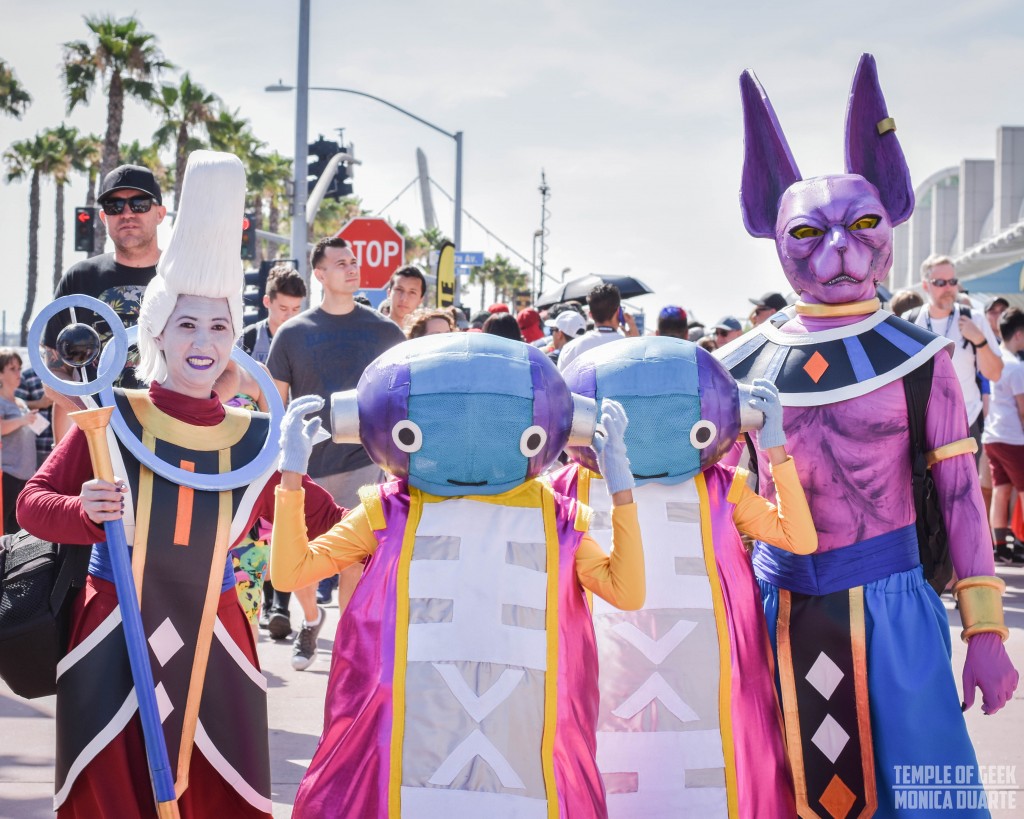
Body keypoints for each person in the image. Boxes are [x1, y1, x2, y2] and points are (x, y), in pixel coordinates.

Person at [721, 54, 1017, 818]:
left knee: (924, 795)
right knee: (777, 790)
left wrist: (985, 627)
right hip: (770, 605)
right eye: (808, 232)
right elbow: (712, 501)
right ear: (770, 225)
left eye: (860, 226)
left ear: (891, 214)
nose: (839, 251)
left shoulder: (921, 361)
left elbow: (959, 491)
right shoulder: (732, 368)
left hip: (895, 610)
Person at [17, 151, 344, 819]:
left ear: (236, 340)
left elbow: (335, 522)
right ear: (157, 332)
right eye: (187, 323)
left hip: (219, 639)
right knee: (110, 793)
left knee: (219, 796)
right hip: (109, 631)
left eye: (219, 325)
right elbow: (32, 505)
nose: (204, 340)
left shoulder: (259, 437)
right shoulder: (114, 420)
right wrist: (83, 510)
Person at [269, 333, 644, 817]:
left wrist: (622, 487)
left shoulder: (557, 519)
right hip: (421, 738)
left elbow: (627, 591)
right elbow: (290, 572)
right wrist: (291, 476)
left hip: (516, 740)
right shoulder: (389, 509)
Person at [556, 337, 815, 817]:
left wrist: (775, 447)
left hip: (708, 678)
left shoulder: (721, 487)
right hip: (607, 675)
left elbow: (798, 537)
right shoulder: (563, 492)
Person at [267, 236, 405, 670]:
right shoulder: (292, 334)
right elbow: (274, 404)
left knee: (355, 557)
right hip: (304, 468)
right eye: (340, 263)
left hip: (363, 462)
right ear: (320, 274)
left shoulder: (386, 332)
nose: (351, 268)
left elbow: (403, 395)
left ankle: (349, 644)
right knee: (298, 557)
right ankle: (310, 620)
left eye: (353, 262)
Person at [44, 164, 167, 442]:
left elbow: (224, 368)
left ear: (160, 213)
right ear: (103, 217)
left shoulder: (183, 277)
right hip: (97, 440)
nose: (127, 213)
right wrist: (94, 419)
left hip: (169, 439)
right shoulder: (79, 279)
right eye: (114, 206)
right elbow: (53, 371)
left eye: (139, 203)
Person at [908, 254, 1003, 461]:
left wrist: (980, 341)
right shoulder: (911, 322)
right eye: (940, 282)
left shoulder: (973, 318)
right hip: (923, 426)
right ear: (925, 285)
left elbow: (995, 373)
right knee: (925, 492)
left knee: (964, 492)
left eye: (953, 281)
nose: (948, 287)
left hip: (966, 424)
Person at [982, 307, 1024, 564]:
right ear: (1018, 334)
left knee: (1001, 490)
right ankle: (1016, 543)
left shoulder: (996, 359)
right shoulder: (1017, 368)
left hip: (993, 436)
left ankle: (999, 545)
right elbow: (1023, 408)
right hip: (1013, 439)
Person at [0, 348, 40, 533]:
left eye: (19, 368)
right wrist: (23, 420)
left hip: (25, 476)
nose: (19, 373)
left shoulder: (21, 402)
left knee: (17, 531)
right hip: (7, 476)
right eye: (12, 368)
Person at [238, 264, 307, 364]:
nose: (290, 315)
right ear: (267, 302)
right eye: (283, 308)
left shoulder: (308, 342)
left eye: (296, 309)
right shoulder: (247, 340)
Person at [558, 283, 634, 371]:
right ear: (618, 312)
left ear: (590, 314)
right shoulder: (631, 347)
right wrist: (635, 338)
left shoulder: (570, 348)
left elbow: (560, 383)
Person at [16, 365, 54, 467]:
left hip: (67, 445)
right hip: (38, 447)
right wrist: (40, 404)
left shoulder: (72, 371)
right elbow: (15, 405)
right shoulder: (28, 375)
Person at [386, 265, 426, 331]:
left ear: (420, 300)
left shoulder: (426, 336)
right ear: (389, 293)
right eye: (399, 290)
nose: (404, 299)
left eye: (412, 292)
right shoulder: (374, 331)